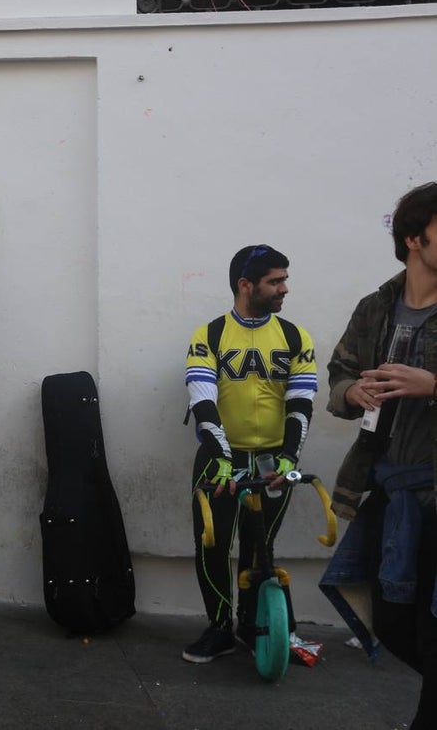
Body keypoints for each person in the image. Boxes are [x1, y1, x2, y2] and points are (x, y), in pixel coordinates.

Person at [320, 183, 437, 729]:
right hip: (389, 490)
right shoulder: (375, 308)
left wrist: (431, 383)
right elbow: (339, 373)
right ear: (415, 239)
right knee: (390, 620)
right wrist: (351, 393)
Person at [182, 244, 317, 663]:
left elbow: (301, 403)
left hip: (273, 460)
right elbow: (202, 400)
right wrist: (221, 456)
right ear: (246, 285)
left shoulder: (296, 337)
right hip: (219, 458)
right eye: (275, 281)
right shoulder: (210, 335)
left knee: (261, 547)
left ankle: (256, 626)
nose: (284, 289)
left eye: (284, 279)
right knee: (213, 545)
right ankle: (219, 629)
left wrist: (290, 458)